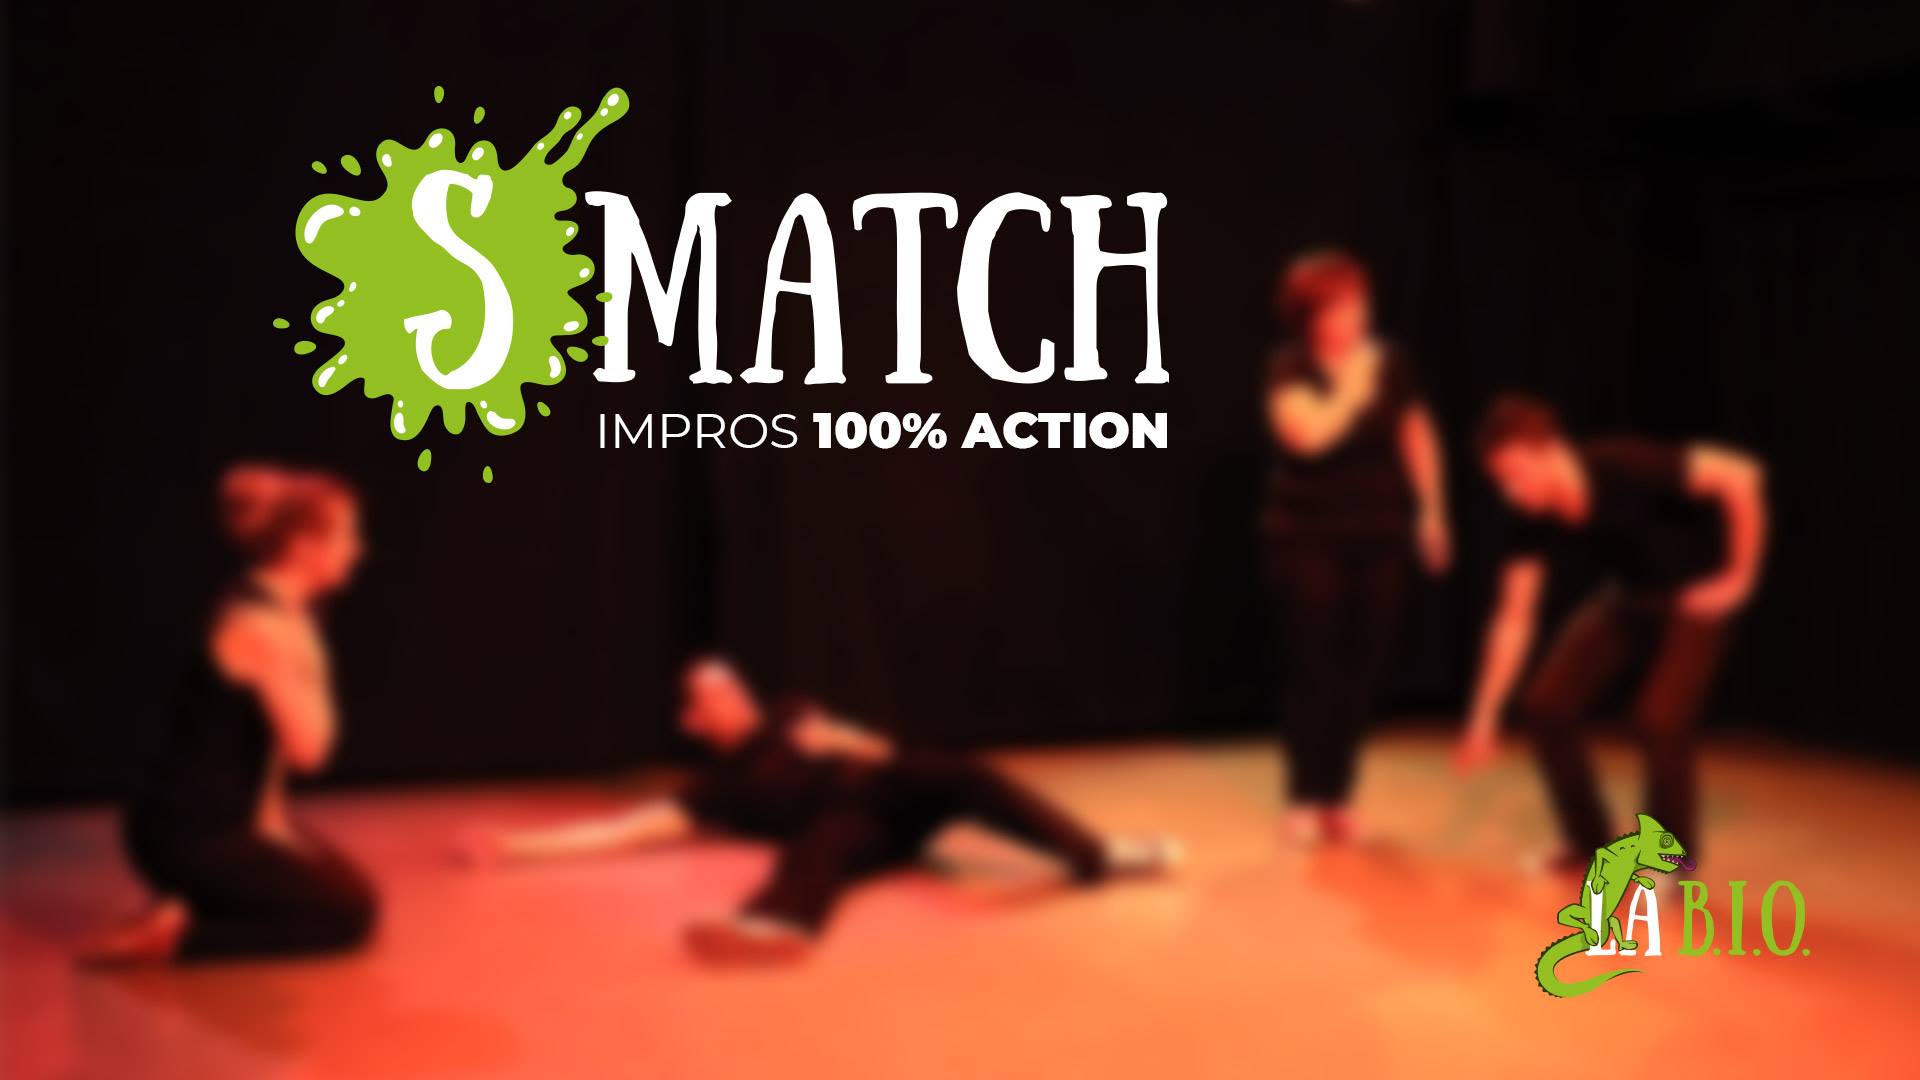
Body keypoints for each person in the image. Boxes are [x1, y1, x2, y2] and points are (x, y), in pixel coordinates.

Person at [459, 657, 1181, 963]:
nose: (732, 695)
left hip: (889, 788)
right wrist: (515, 847)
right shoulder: (716, 788)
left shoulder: (793, 711)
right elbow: (623, 831)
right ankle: (779, 923)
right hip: (854, 828)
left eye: (732, 683)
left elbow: (881, 749)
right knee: (820, 841)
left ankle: (1098, 855)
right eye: (713, 694)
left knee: (962, 772)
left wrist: (845, 740)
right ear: (693, 721)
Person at [1453, 395, 1768, 862]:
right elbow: (1513, 617)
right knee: (1547, 706)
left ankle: (1670, 859)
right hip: (1630, 596)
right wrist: (1484, 716)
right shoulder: (1528, 517)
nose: (1512, 492)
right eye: (1501, 481)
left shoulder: (1621, 465)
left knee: (1660, 719)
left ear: (1551, 450)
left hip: (1693, 598)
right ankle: (1587, 842)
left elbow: (1741, 475)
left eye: (1517, 474)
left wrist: (1740, 579)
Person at [83, 464, 377, 963]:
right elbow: (311, 751)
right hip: (191, 834)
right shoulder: (264, 627)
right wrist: (312, 654)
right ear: (304, 546)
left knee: (342, 883)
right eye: (348, 536)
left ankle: (185, 907)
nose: (358, 550)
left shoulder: (267, 603)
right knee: (349, 914)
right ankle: (177, 938)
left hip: (215, 822)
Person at [1261, 249, 1451, 843]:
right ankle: (1303, 795)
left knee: (1363, 665)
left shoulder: (1392, 363)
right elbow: (1308, 436)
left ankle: (1338, 795)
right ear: (1311, 317)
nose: (1356, 315)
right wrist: (1354, 383)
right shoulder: (1289, 366)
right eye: (1340, 306)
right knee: (1313, 662)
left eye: (1358, 302)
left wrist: (1432, 510)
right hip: (1306, 533)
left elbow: (1416, 433)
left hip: (1381, 530)